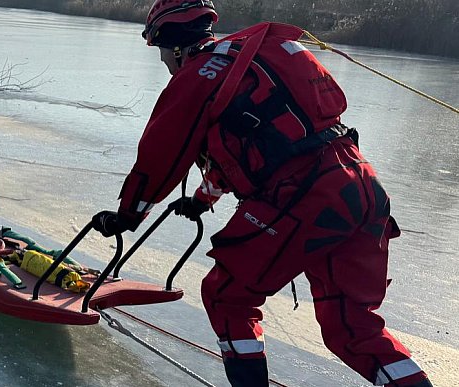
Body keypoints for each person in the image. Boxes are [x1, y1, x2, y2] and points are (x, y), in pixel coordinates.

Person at [89, 1, 432, 386]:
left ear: (174, 45)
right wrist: (201, 201)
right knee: (352, 328)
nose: (164, 62)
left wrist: (127, 216)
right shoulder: (250, 58)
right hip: (361, 184)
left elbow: (160, 156)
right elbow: (254, 148)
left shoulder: (198, 76)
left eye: (161, 51)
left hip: (303, 194)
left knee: (226, 296)